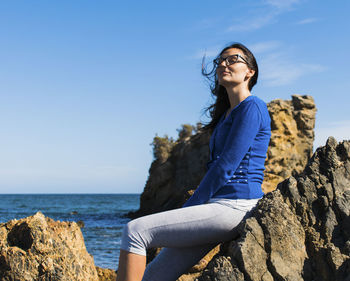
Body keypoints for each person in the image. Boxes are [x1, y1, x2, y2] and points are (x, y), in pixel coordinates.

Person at [116, 42, 271, 281]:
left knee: (134, 231)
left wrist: (191, 207)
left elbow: (226, 165)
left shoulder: (253, 106)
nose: (223, 64)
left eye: (232, 59)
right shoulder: (226, 115)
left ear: (250, 71)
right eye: (220, 60)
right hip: (217, 207)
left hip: (236, 205)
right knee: (152, 276)